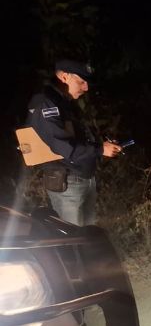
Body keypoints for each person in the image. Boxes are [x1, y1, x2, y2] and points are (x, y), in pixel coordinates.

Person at [23, 60, 122, 225]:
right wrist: (100, 149)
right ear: (64, 77)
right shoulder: (46, 102)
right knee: (72, 237)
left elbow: (77, 137)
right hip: (67, 183)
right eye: (81, 82)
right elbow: (63, 146)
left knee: (87, 236)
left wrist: (101, 145)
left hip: (83, 178)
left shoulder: (64, 102)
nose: (86, 88)